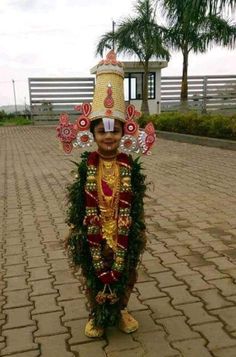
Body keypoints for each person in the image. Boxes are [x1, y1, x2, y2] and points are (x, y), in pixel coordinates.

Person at [57, 50, 156, 337]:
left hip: (123, 227)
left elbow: (136, 202)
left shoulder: (130, 168)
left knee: (126, 271)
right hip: (94, 227)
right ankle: (96, 313)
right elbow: (79, 203)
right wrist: (78, 227)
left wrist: (139, 228)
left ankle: (121, 308)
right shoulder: (85, 168)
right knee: (92, 268)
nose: (109, 137)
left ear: (123, 133)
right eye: (103, 132)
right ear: (93, 134)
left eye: (114, 131)